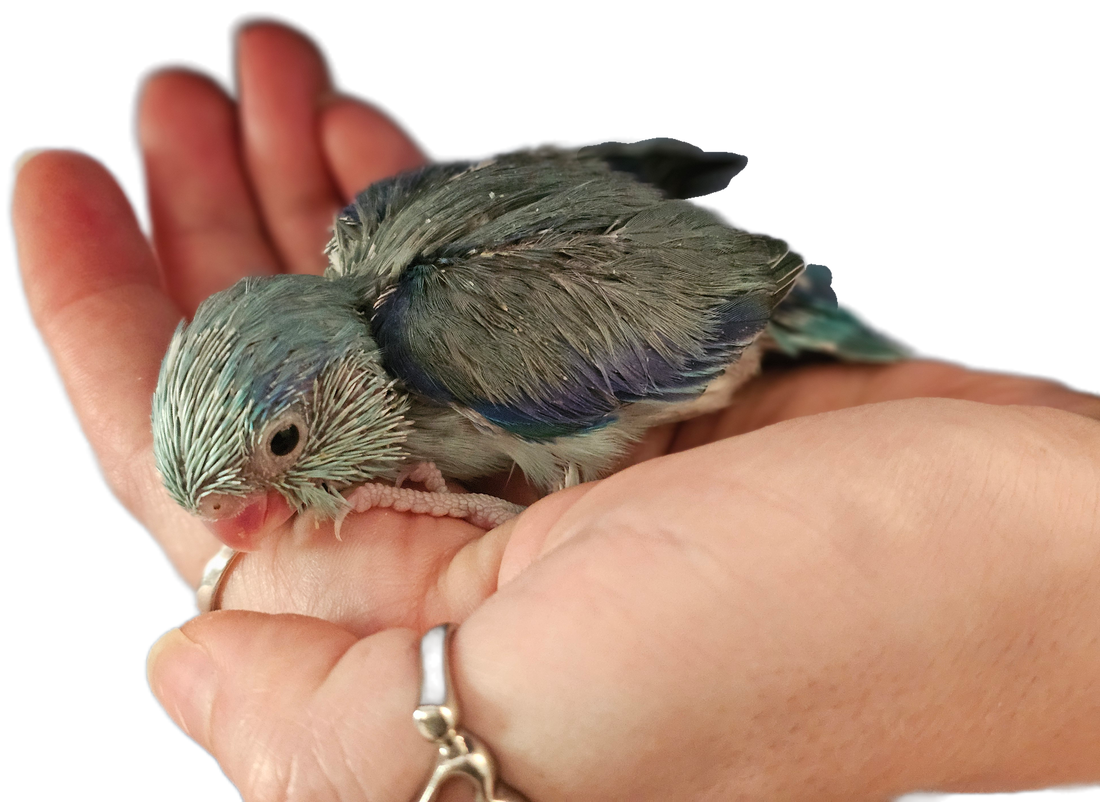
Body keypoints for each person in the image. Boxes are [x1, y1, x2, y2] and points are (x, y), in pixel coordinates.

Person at [10, 14, 1098, 801]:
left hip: (737, 307)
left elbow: (622, 390)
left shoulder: (458, 339)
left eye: (284, 445)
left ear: (342, 374)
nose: (274, 502)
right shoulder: (357, 247)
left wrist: (480, 514)